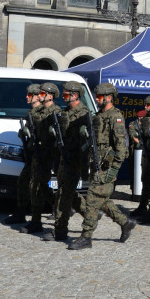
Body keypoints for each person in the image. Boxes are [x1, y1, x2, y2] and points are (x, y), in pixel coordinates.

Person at [69, 82, 134, 250]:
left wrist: (113, 170)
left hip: (106, 168)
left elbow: (121, 147)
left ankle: (86, 236)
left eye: (100, 97)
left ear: (109, 97)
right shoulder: (98, 116)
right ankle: (125, 222)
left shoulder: (115, 117)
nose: (97, 100)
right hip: (96, 164)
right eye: (96, 97)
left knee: (91, 199)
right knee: (102, 201)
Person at [44, 81, 91, 243]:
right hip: (64, 158)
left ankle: (61, 230)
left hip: (75, 160)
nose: (63, 98)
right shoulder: (66, 112)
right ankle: (89, 214)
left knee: (64, 195)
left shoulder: (83, 114)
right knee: (66, 194)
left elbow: (87, 141)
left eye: (66, 95)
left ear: (76, 95)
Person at [21, 82, 60, 235]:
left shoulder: (55, 112)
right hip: (38, 154)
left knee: (39, 187)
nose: (39, 96)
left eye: (42, 94)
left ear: (50, 96)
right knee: (37, 187)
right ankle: (36, 221)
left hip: (48, 155)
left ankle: (58, 217)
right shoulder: (41, 112)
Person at [4, 83, 42, 225]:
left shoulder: (42, 113)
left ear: (38, 96)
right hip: (30, 154)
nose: (27, 97)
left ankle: (66, 208)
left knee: (38, 187)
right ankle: (20, 213)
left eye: (30, 95)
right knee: (23, 183)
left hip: (39, 155)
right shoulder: (30, 113)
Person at [129, 94, 150, 219]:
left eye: (148, 105)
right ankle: (143, 207)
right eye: (145, 105)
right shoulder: (146, 119)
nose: (146, 107)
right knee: (146, 180)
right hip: (147, 154)